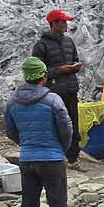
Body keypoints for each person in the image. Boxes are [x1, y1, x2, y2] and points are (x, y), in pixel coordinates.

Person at [4, 57, 81, 207]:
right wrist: (61, 149)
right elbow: (67, 129)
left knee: (29, 202)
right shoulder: (53, 100)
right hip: (52, 159)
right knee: (57, 203)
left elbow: (10, 131)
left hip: (27, 159)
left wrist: (26, 145)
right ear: (44, 77)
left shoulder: (13, 101)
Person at [31, 9, 83, 168]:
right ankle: (55, 157)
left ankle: (73, 159)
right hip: (52, 93)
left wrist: (75, 67)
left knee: (73, 122)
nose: (67, 24)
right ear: (55, 23)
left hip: (71, 90)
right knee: (55, 124)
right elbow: (38, 70)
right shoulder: (41, 45)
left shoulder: (69, 42)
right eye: (64, 21)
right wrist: (61, 70)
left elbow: (75, 59)